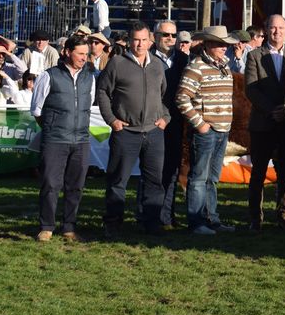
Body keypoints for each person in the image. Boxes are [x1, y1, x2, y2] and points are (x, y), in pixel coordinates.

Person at [96, 21, 170, 237]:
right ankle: (113, 223)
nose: (140, 44)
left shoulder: (157, 65)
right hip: (126, 132)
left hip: (154, 132)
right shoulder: (117, 63)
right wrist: (112, 120)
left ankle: (151, 223)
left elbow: (163, 95)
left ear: (150, 41)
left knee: (154, 181)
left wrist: (165, 117)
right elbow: (102, 92)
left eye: (144, 40)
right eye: (136, 39)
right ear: (129, 41)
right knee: (118, 180)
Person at [176, 26, 239, 236]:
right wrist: (200, 124)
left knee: (212, 178)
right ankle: (196, 222)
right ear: (209, 45)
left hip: (222, 130)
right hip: (207, 131)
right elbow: (182, 97)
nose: (224, 48)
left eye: (225, 44)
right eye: (220, 44)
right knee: (199, 178)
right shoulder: (196, 67)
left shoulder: (224, 67)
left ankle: (212, 219)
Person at [31, 36, 95, 242]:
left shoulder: (89, 77)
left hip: (81, 140)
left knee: (76, 185)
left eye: (86, 54)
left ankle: (69, 226)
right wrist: (52, 129)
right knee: (50, 183)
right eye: (80, 54)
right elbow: (37, 110)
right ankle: (47, 226)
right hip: (55, 140)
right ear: (67, 52)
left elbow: (88, 105)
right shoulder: (48, 76)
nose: (84, 58)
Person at [244, 14, 285, 231]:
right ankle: (255, 218)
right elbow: (251, 88)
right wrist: (272, 110)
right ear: (266, 30)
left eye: (281, 28)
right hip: (262, 123)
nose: (277, 32)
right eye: (273, 28)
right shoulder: (254, 56)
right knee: (258, 172)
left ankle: (283, 215)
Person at [152, 20, 189, 229]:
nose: (170, 39)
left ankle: (167, 216)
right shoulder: (147, 58)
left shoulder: (184, 60)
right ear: (156, 36)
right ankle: (147, 213)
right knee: (151, 170)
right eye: (166, 35)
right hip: (151, 121)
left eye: (173, 36)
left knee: (173, 170)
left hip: (175, 122)